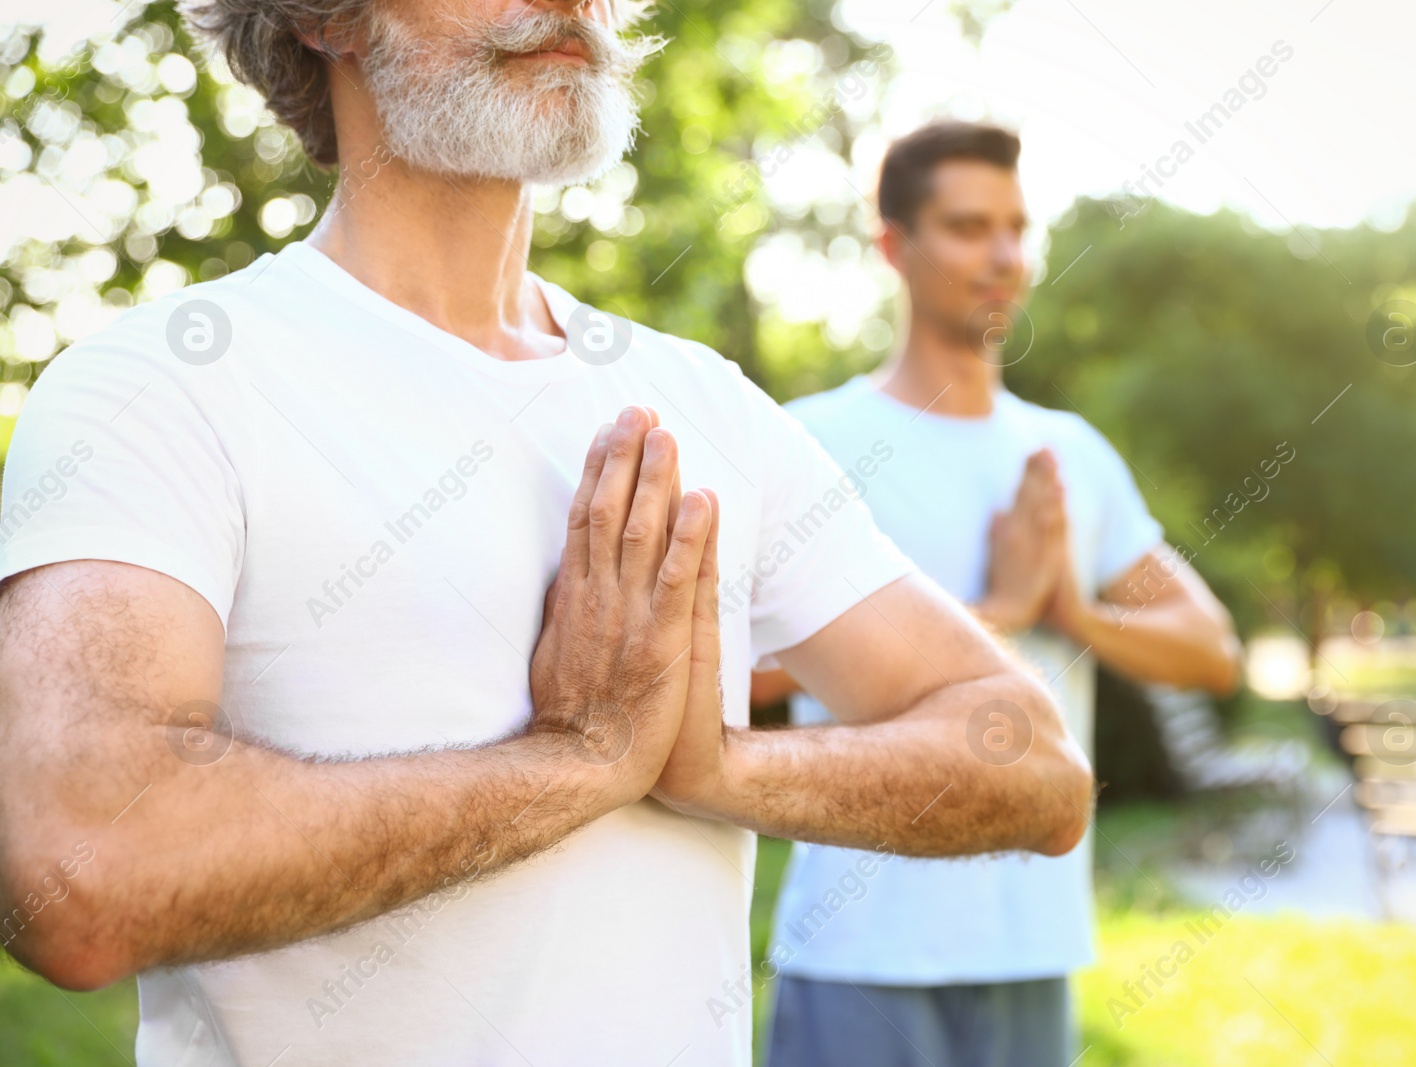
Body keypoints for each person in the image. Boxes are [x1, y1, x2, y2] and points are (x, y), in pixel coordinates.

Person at [0, 10, 1095, 1067]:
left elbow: (1036, 768)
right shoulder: (160, 384)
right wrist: (572, 763)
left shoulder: (701, 400)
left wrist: (721, 767)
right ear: (323, 16)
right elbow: (82, 872)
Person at [756, 121, 1241, 1067]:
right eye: (970, 227)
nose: (1006, 257)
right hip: (860, 947)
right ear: (895, 244)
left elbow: (1211, 647)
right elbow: (741, 677)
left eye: (1018, 228)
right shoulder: (808, 445)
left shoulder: (1070, 454)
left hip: (1032, 942)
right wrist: (1003, 613)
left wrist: (1074, 613)